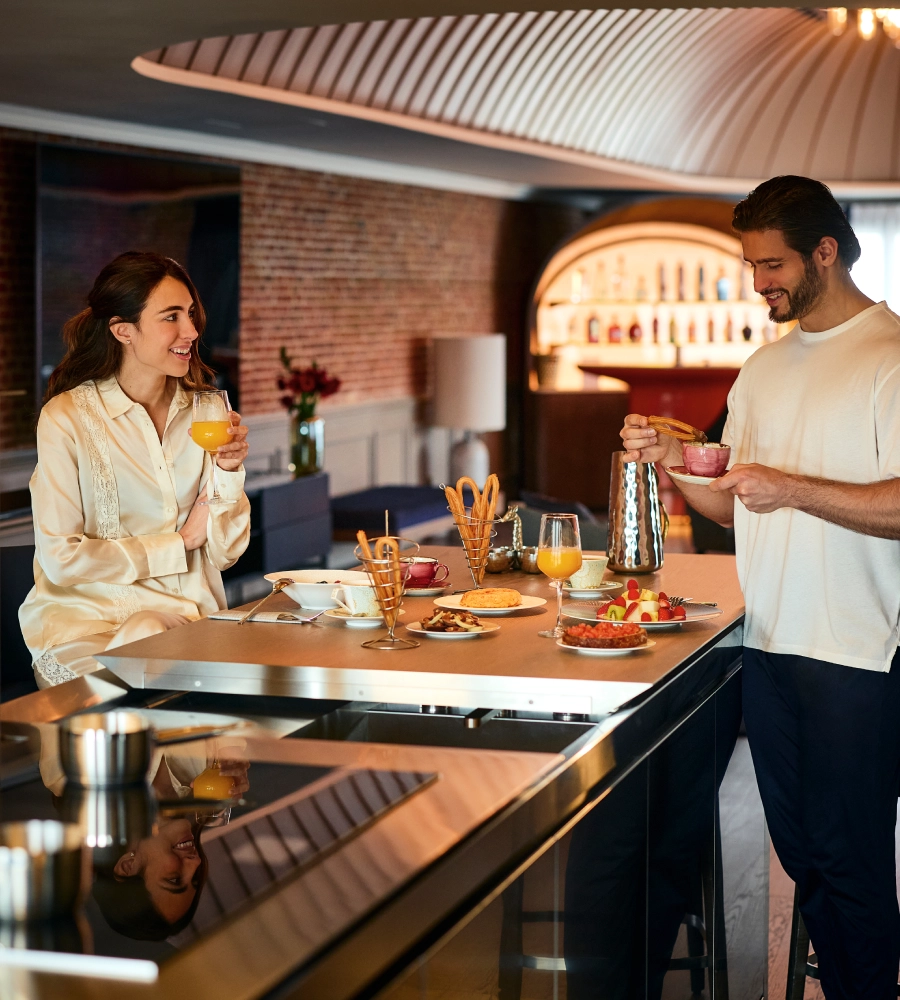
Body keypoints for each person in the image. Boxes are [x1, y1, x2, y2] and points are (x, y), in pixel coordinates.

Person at [621, 175, 900, 999]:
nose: (759, 282)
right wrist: (674, 465)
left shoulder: (890, 357)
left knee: (849, 863)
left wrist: (795, 487)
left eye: (772, 263)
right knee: (805, 858)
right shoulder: (761, 368)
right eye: (750, 265)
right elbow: (734, 501)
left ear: (826, 250)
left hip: (861, 652)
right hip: (769, 647)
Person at [19, 251, 251, 688]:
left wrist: (230, 471)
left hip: (189, 621)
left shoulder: (206, 413)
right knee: (140, 644)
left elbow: (225, 553)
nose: (192, 330)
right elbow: (63, 560)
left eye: (190, 314)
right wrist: (180, 542)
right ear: (123, 330)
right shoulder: (65, 418)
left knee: (150, 647)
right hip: (83, 632)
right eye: (171, 317)